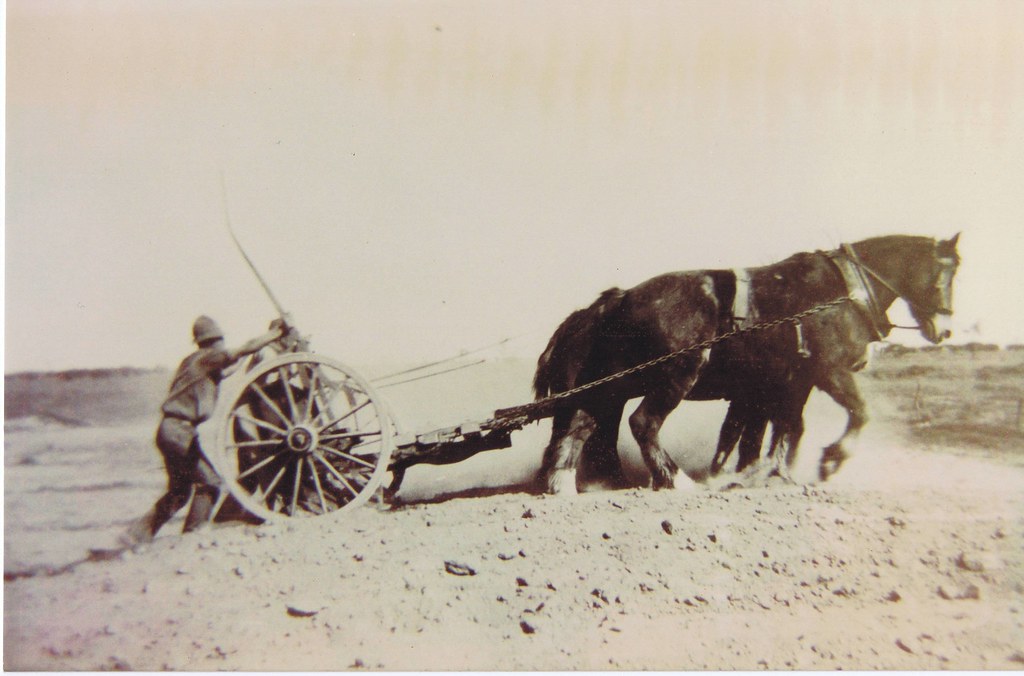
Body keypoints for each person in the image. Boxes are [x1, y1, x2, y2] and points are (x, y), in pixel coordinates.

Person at [120, 315, 288, 546]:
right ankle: (193, 536)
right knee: (210, 483)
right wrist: (275, 334)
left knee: (180, 492)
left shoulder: (195, 362)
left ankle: (136, 535)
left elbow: (232, 367)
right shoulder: (209, 357)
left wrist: (258, 351)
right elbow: (244, 350)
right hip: (180, 431)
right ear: (216, 340)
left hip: (171, 430)